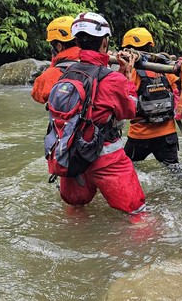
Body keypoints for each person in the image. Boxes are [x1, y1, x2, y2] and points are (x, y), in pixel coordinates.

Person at [57, 12, 146, 215]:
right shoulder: (114, 79)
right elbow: (130, 110)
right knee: (138, 214)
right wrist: (128, 74)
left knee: (76, 209)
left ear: (78, 41)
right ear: (105, 42)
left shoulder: (65, 73)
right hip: (105, 158)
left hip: (71, 155)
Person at [121, 27, 180, 168]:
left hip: (139, 135)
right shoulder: (165, 69)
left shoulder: (130, 73)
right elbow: (181, 100)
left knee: (125, 168)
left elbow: (124, 104)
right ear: (150, 46)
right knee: (174, 173)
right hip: (167, 135)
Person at [31, 16, 81, 103]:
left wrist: (54, 63)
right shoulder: (97, 62)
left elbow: (37, 95)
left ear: (59, 46)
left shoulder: (53, 73)